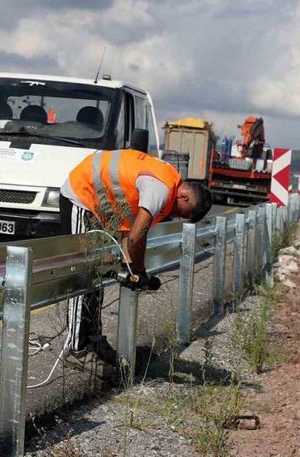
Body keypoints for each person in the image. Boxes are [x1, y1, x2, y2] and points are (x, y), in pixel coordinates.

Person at [59, 149, 213, 363]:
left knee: (97, 276)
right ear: (184, 196)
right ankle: (76, 346)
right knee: (84, 272)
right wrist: (139, 272)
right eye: (181, 212)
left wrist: (133, 268)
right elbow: (135, 238)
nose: (175, 215)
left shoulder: (167, 181)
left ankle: (92, 338)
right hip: (81, 195)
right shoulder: (160, 190)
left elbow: (131, 232)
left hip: (100, 204)